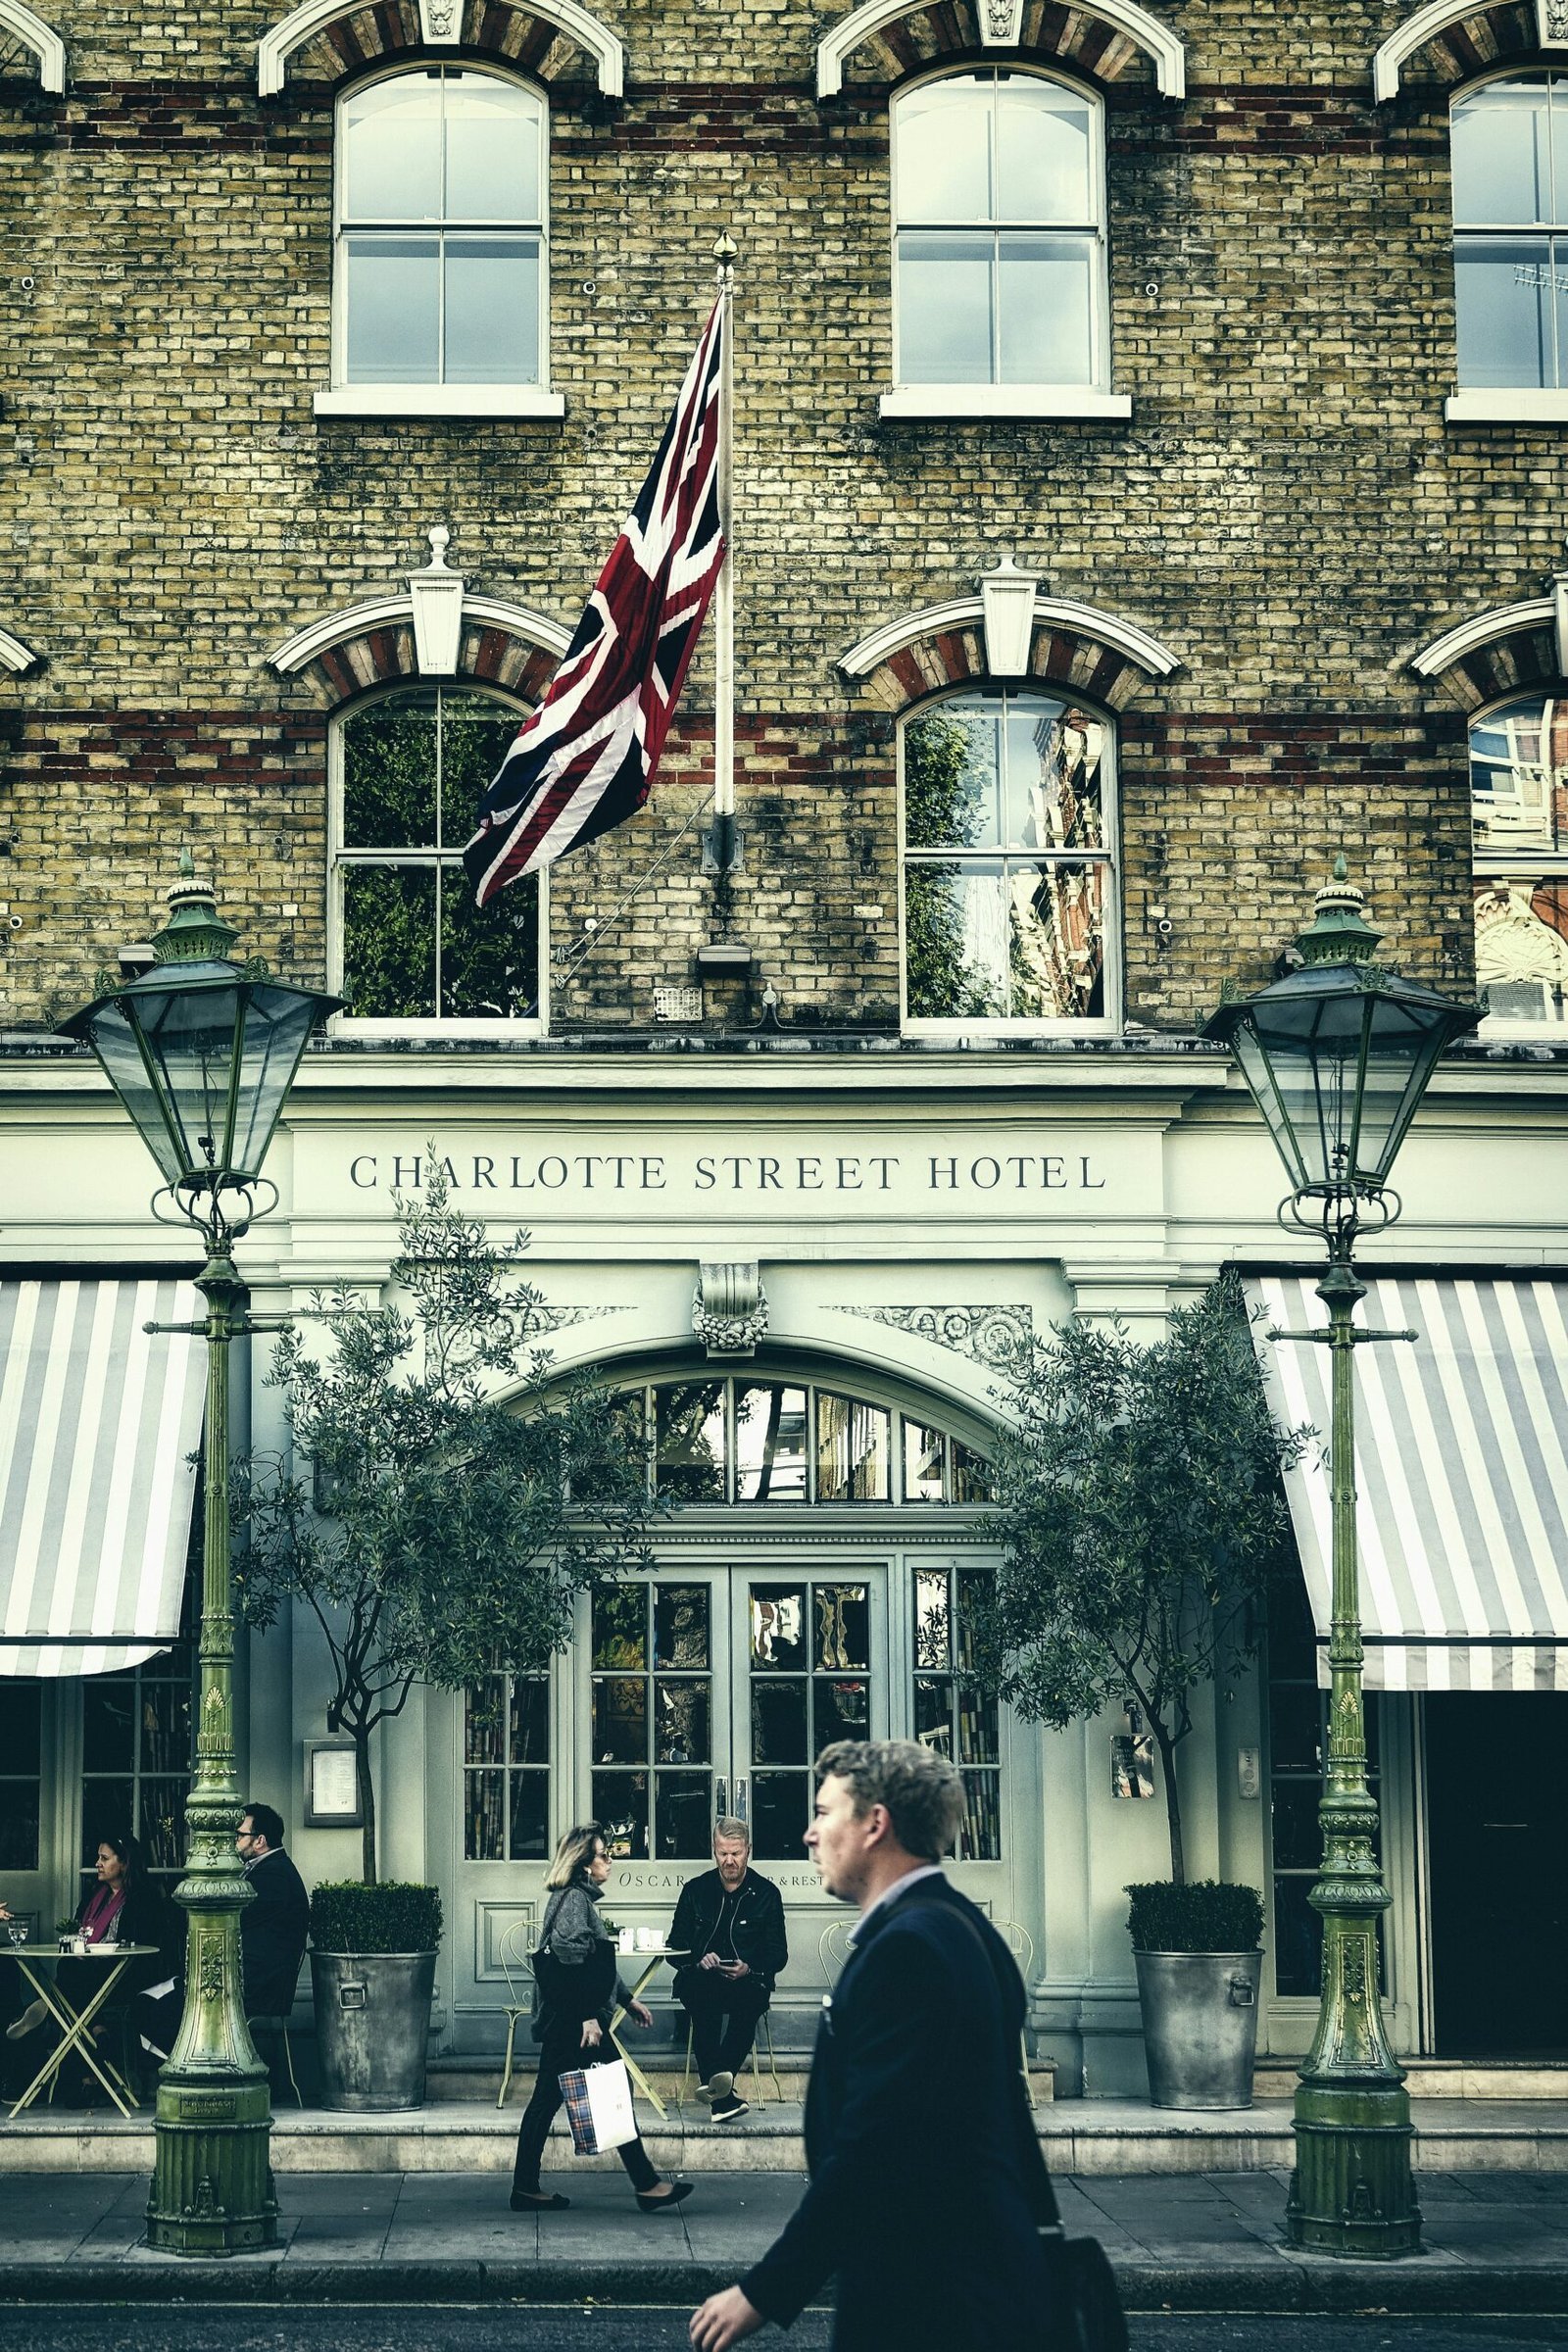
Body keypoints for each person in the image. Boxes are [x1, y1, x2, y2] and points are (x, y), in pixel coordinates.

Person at [689, 1740, 1054, 2352]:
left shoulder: (909, 1949)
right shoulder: (959, 1924)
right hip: (965, 2280)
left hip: (926, 2298)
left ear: (875, 1825)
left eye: (825, 1813)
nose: (809, 1834)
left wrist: (765, 2290)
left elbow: (874, 2148)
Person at [510, 1821, 694, 2216]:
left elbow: (594, 1967)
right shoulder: (574, 1901)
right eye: (603, 1853)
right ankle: (646, 2185)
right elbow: (569, 1963)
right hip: (574, 2023)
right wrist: (588, 2019)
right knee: (611, 2090)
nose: (610, 1859)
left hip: (568, 2020)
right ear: (583, 1864)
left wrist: (626, 2000)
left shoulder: (574, 1898)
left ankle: (526, 2187)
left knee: (548, 2101)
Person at [5, 1833, 177, 2102]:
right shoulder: (94, 1897)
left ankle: (51, 2009)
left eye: (104, 1858)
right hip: (92, 1979)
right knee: (74, 1980)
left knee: (72, 1987)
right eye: (98, 1857)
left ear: (124, 1864)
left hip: (127, 1976)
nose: (97, 1863)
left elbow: (146, 1950)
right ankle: (96, 2039)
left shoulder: (145, 1900)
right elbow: (77, 1930)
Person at [135, 1799, 309, 2057]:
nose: (232, 1841)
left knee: (150, 2006)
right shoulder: (266, 1870)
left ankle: (190, 2064)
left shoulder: (275, 1876)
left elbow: (234, 1921)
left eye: (238, 1835)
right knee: (147, 2001)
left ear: (259, 1840)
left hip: (253, 1985)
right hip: (238, 1975)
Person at [670, 1817, 787, 2121]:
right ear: (714, 1850)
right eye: (723, 1853)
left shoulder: (766, 1894)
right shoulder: (695, 1890)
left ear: (748, 1849)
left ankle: (715, 2090)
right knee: (702, 2005)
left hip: (748, 1981)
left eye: (736, 1852)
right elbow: (675, 1946)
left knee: (747, 2006)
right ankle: (723, 2098)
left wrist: (750, 1968)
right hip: (703, 1979)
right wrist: (699, 1959)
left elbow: (779, 1954)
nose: (729, 1860)